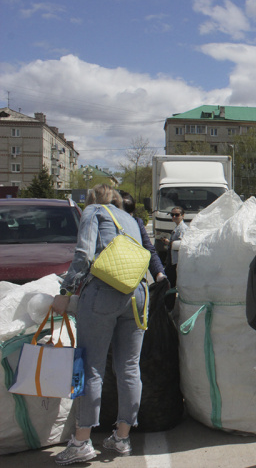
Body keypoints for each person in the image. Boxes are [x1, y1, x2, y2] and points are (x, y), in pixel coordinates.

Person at [51, 185, 148, 465]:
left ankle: (81, 441)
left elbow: (84, 255)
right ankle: (122, 438)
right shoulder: (129, 218)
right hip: (137, 296)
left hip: (103, 294)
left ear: (92, 199)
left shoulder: (93, 211)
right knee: (129, 367)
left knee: (92, 367)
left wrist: (65, 293)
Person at [120, 191, 167, 284]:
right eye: (124, 211)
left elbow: (149, 249)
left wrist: (159, 273)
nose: (128, 217)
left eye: (130, 211)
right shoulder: (108, 224)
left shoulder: (137, 223)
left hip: (135, 279)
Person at [159, 206, 186, 288]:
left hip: (176, 261)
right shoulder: (177, 227)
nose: (174, 217)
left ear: (183, 215)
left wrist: (169, 243)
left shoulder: (182, 228)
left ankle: (170, 300)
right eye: (172, 214)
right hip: (172, 260)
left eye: (177, 215)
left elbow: (182, 244)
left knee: (170, 283)